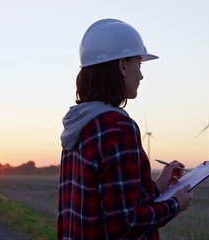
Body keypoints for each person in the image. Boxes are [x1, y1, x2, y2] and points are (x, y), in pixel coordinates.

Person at [58, 18, 192, 240]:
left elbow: (109, 202)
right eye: (138, 64)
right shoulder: (117, 128)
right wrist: (175, 204)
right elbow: (124, 223)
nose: (141, 75)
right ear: (122, 65)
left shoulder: (81, 123)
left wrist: (157, 186)